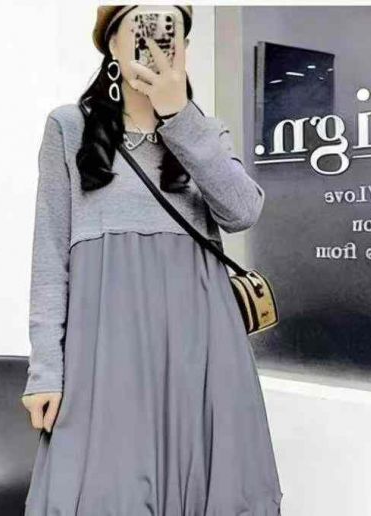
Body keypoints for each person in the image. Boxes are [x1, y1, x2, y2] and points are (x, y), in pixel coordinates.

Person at [21, 5, 283, 514]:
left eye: (171, 30)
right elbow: (50, 257)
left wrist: (178, 116)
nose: (159, 42)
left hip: (202, 341)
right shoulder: (68, 128)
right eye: (144, 26)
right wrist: (46, 370)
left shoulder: (204, 131)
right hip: (107, 344)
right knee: (102, 487)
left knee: (205, 482)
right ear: (112, 45)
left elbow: (243, 212)